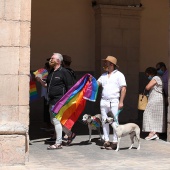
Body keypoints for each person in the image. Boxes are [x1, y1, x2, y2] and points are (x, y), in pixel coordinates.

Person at [36, 53, 76, 149]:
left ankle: (58, 143)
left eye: (53, 58)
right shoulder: (52, 72)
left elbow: (70, 88)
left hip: (60, 101)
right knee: (54, 121)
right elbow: (47, 86)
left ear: (58, 61)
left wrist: (67, 101)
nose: (50, 60)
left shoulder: (64, 72)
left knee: (56, 120)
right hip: (51, 100)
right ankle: (70, 134)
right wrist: (40, 80)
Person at [97, 56, 127, 149]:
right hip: (104, 101)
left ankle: (114, 141)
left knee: (114, 121)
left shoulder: (119, 75)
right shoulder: (103, 75)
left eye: (106, 62)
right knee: (104, 121)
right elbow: (97, 84)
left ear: (111, 64)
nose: (104, 64)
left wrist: (121, 101)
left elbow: (123, 88)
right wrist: (90, 81)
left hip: (114, 101)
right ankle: (106, 140)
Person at [143, 67, 166, 140]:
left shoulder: (156, 78)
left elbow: (147, 87)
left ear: (150, 73)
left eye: (148, 75)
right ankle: (156, 133)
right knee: (157, 116)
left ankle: (152, 132)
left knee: (148, 114)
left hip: (155, 99)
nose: (148, 77)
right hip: (158, 99)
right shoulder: (160, 77)